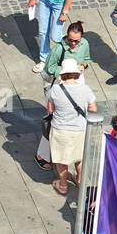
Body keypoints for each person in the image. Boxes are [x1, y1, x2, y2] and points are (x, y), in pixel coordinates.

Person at [35, 22, 91, 170]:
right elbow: (50, 67)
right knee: (54, 120)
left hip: (76, 85)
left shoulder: (84, 44)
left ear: (81, 38)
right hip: (58, 85)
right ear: (66, 36)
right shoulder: (59, 48)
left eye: (76, 41)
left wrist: (83, 66)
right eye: (70, 40)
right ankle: (43, 154)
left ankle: (62, 152)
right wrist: (69, 70)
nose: (73, 43)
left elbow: (87, 59)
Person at [46, 58, 97, 196]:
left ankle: (62, 185)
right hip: (79, 129)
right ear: (76, 74)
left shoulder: (55, 90)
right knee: (78, 157)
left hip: (60, 129)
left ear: (62, 74)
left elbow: (50, 110)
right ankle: (79, 180)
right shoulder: (85, 89)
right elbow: (93, 108)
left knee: (61, 159)